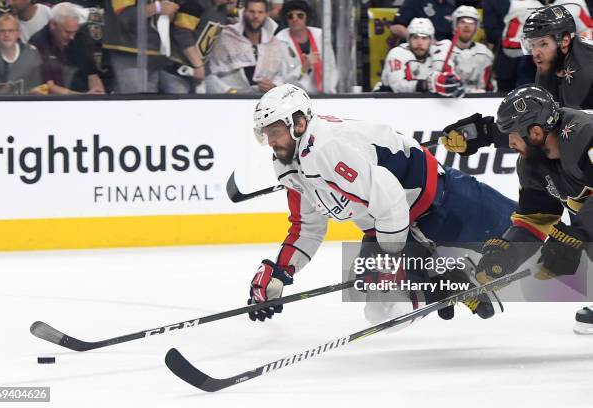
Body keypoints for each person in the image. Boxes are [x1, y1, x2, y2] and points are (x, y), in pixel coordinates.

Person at [246, 83, 519, 324]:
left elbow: (391, 203)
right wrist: (280, 273)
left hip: (443, 203)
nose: (271, 141)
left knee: (530, 241)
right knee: (381, 311)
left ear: (299, 123)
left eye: (276, 131)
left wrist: (390, 260)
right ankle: (447, 283)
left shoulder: (328, 149)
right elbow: (307, 228)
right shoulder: (287, 164)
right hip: (392, 228)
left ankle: (441, 273)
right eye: (266, 133)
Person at [468, 86, 593, 334]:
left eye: (511, 135)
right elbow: (534, 220)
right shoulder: (532, 165)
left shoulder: (585, 134)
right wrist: (503, 258)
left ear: (535, 132)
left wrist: (577, 234)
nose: (509, 143)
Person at [440, 5, 593, 155]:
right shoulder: (550, 65)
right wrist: (483, 133)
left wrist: (490, 134)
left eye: (543, 44)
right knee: (532, 166)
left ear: (564, 41)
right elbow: (541, 124)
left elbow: (562, 130)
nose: (535, 53)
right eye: (532, 45)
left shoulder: (587, 65)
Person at [206, 0, 297, 93]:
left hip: (263, 101)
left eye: (260, 12)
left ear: (266, 15)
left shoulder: (275, 44)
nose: (256, 16)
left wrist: (274, 86)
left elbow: (281, 74)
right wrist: (227, 91)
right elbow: (208, 71)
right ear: (244, 12)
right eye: (251, 11)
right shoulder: (224, 37)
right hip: (224, 100)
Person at [29, 2, 104, 94]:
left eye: (74, 32)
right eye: (67, 32)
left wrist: (99, 94)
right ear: (53, 25)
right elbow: (48, 87)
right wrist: (84, 97)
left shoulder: (79, 37)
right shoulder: (38, 43)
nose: (72, 37)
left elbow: (92, 75)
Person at [379, 17, 463, 97]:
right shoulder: (397, 53)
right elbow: (397, 86)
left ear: (431, 41)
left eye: (424, 38)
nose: (419, 43)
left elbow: (448, 78)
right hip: (389, 103)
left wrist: (453, 84)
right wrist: (427, 84)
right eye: (415, 38)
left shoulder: (437, 54)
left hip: (424, 105)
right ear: (409, 40)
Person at [275, 0, 337, 94]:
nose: (295, 19)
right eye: (290, 16)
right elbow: (280, 80)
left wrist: (330, 92)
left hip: (324, 95)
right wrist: (303, 68)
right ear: (286, 19)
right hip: (294, 97)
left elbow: (332, 68)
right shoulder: (279, 41)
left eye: (300, 15)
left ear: (306, 17)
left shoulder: (321, 36)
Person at [436, 5, 495, 93]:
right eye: (462, 21)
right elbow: (439, 81)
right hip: (446, 103)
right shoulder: (442, 48)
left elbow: (489, 88)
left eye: (471, 22)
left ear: (477, 27)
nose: (467, 25)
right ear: (455, 25)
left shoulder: (485, 54)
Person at [0, 13, 44, 94]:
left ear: (18, 33)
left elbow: (37, 88)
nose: (7, 35)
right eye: (2, 31)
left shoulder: (31, 53)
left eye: (11, 30)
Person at [390, 0, 456, 42]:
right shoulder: (415, 1)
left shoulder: (450, 7)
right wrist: (416, 39)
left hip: (441, 53)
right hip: (415, 50)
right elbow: (395, 27)